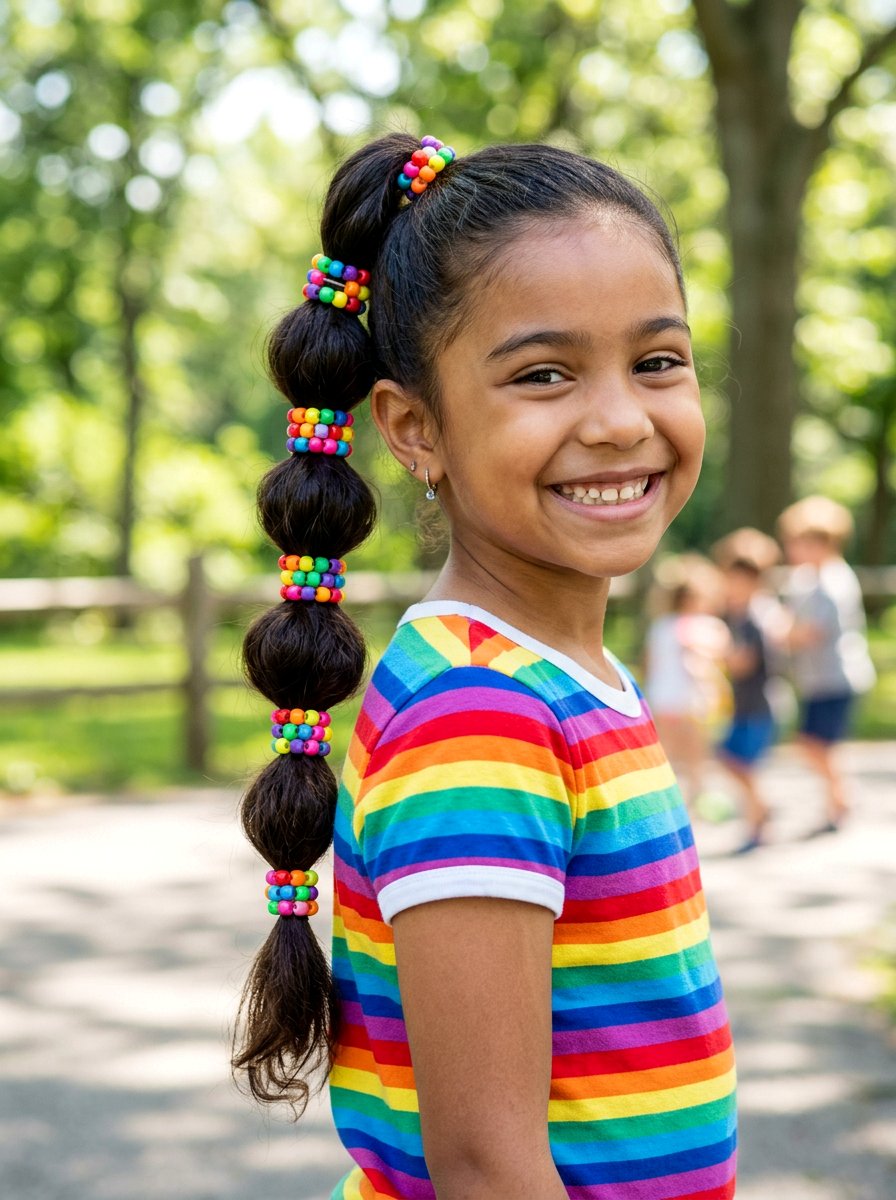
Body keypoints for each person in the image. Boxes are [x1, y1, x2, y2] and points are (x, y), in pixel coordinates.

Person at [234, 134, 737, 1200]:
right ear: (415, 429)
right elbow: (484, 1167)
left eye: (656, 360)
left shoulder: (558, 676)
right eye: (543, 375)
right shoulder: (482, 715)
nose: (617, 420)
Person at [777, 496, 876, 833]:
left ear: (821, 543)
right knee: (814, 744)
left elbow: (810, 633)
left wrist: (780, 633)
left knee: (816, 743)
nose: (791, 548)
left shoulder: (833, 582)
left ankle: (842, 799)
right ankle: (839, 798)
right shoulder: (807, 578)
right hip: (816, 677)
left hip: (836, 677)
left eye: (798, 542)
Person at [710, 528, 784, 851]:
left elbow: (744, 662)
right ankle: (760, 812)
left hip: (759, 705)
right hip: (744, 704)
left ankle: (759, 824)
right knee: (730, 759)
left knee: (739, 763)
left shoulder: (756, 616)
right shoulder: (737, 614)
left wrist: (714, 653)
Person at [643, 554, 731, 811]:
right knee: (696, 759)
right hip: (694, 703)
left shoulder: (661, 626)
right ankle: (692, 805)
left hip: (664, 699)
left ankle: (668, 805)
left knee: (667, 758)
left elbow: (651, 665)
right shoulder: (708, 626)